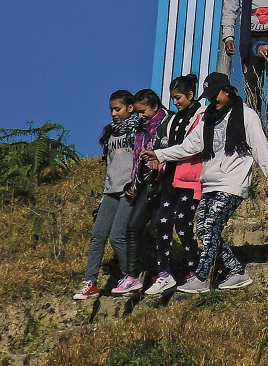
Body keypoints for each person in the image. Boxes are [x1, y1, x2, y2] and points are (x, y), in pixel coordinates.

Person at [154, 72, 268, 293]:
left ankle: (202, 277)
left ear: (228, 91)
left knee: (211, 226)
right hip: (209, 182)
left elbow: (260, 146)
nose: (213, 101)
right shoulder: (207, 118)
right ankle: (237, 272)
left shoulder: (246, 116)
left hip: (233, 181)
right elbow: (190, 146)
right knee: (203, 230)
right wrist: (161, 154)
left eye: (216, 95)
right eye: (209, 97)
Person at [73, 90, 140, 300]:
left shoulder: (139, 129)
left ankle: (131, 276)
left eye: (117, 109)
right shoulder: (111, 133)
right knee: (97, 235)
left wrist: (137, 183)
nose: (113, 113)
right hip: (111, 191)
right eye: (111, 109)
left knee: (117, 236)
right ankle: (90, 282)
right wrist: (103, 194)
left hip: (129, 190)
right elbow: (110, 165)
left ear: (130, 108)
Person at [142, 75, 203, 296]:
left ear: (190, 95)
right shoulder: (174, 119)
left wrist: (162, 153)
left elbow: (191, 147)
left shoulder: (200, 117)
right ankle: (164, 273)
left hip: (189, 179)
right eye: (173, 98)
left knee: (184, 225)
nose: (175, 102)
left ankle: (196, 270)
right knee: (161, 225)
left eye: (178, 97)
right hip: (170, 178)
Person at [111, 88, 167, 295]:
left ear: (155, 107)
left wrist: (159, 160)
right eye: (138, 112)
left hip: (164, 183)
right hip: (145, 183)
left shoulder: (167, 124)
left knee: (155, 231)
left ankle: (163, 272)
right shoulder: (140, 129)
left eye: (144, 112)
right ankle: (133, 277)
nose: (140, 116)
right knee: (133, 227)